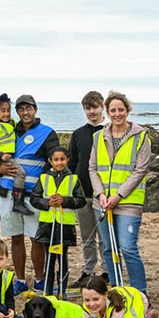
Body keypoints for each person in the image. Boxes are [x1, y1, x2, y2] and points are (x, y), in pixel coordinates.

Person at [0, 94, 60, 295]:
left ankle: (39, 279)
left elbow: (56, 162)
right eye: (21, 109)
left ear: (35, 109)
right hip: (8, 193)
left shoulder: (47, 133)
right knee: (15, 237)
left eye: (28, 108)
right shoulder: (8, 130)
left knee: (36, 238)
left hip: (33, 195)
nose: (25, 112)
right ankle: (20, 280)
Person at [89, 91, 151, 293]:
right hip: (103, 203)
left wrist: (118, 196)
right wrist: (100, 195)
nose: (117, 114)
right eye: (113, 110)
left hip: (128, 203)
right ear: (107, 112)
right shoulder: (98, 136)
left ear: (127, 110)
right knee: (109, 248)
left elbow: (140, 170)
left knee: (127, 247)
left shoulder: (141, 136)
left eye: (121, 109)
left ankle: (140, 293)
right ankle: (117, 290)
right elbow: (93, 168)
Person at [29, 147, 85, 298]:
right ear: (50, 161)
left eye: (62, 159)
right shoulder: (43, 178)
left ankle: (62, 291)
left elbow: (81, 201)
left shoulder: (73, 179)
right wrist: (47, 202)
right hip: (47, 225)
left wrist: (65, 200)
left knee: (63, 259)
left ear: (67, 160)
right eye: (56, 160)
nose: (59, 162)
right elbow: (34, 199)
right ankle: (47, 291)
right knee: (49, 258)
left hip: (65, 226)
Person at [68, 91, 108, 287]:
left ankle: (108, 271)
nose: (92, 111)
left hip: (105, 194)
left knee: (105, 236)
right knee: (87, 236)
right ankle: (88, 270)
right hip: (83, 193)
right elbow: (73, 163)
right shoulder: (78, 134)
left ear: (103, 107)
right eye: (88, 108)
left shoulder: (110, 131)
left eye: (95, 107)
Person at [0, 93, 33, 215]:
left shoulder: (10, 123)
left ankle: (7, 200)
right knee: (21, 174)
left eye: (8, 110)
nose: (6, 114)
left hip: (7, 157)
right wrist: (0, 155)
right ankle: (18, 203)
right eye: (3, 111)